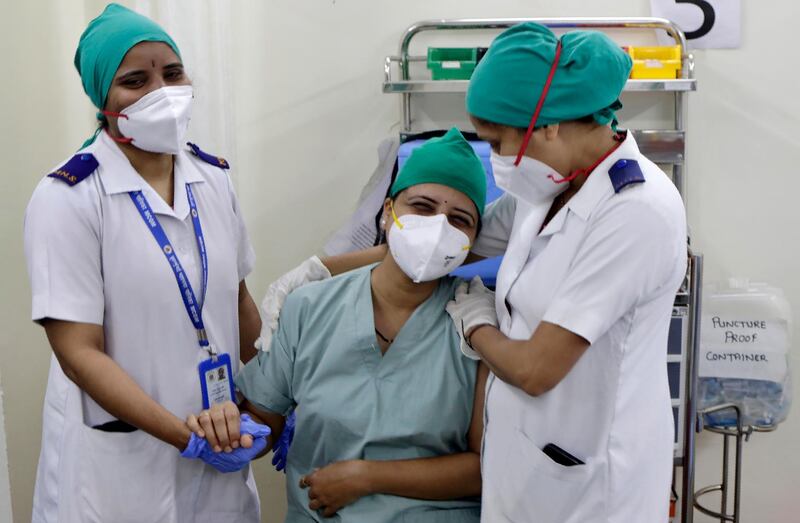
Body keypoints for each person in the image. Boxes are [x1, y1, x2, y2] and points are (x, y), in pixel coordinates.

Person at [263, 22, 688, 523]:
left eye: (497, 140)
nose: (497, 158)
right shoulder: (551, 186)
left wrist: (476, 324)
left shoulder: (635, 211)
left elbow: (535, 370)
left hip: (591, 476)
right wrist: (317, 270)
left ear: (548, 124)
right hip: (522, 460)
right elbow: (440, 244)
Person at [23, 4, 265, 521]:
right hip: (120, 469)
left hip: (219, 445)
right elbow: (78, 355)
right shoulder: (68, 197)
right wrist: (188, 437)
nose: (161, 90)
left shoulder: (214, 178)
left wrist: (269, 401)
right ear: (103, 100)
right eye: (136, 80)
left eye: (172, 73)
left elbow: (238, 301)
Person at [189, 128, 489, 522]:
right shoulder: (308, 308)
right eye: (422, 206)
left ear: (472, 241)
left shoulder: (476, 326)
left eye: (459, 220)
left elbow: (485, 466)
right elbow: (264, 417)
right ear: (387, 211)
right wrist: (230, 429)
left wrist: (368, 477)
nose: (438, 227)